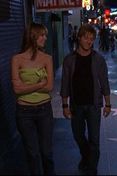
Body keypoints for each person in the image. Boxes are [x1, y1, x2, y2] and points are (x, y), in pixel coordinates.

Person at [60, 24, 111, 175]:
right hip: (76, 105)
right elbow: (65, 83)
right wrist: (64, 105)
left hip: (94, 105)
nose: (89, 41)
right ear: (79, 38)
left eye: (92, 39)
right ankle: (86, 156)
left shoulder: (98, 59)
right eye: (86, 38)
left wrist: (108, 104)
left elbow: (104, 82)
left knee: (94, 139)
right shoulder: (69, 60)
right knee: (78, 135)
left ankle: (92, 167)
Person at [11, 23, 55, 175]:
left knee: (46, 153)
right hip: (24, 112)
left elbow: (49, 87)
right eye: (42, 35)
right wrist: (40, 84)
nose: (45, 38)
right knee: (32, 154)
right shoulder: (17, 59)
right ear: (33, 36)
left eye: (45, 35)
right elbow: (16, 89)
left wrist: (27, 86)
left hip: (44, 110)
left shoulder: (47, 58)